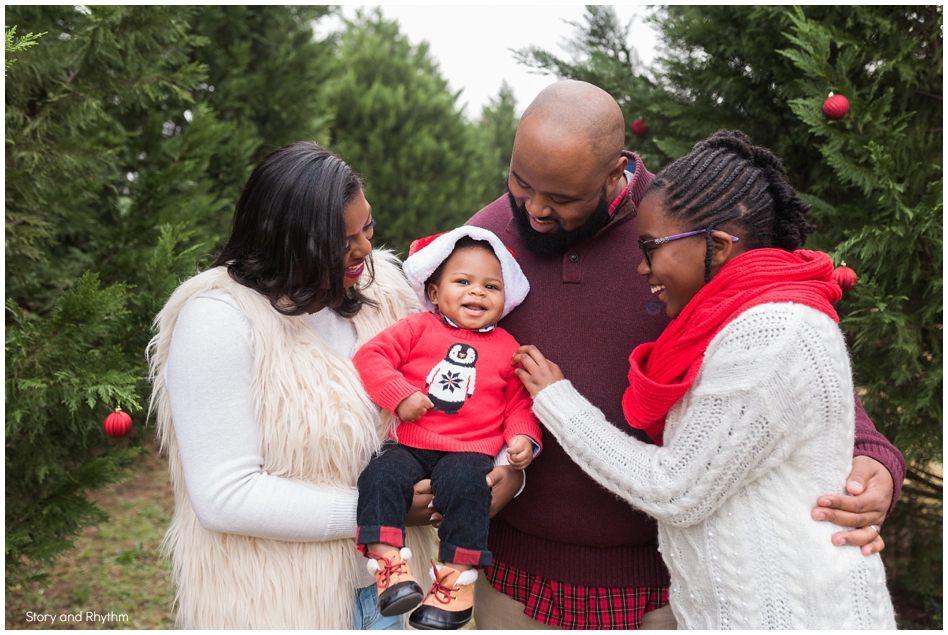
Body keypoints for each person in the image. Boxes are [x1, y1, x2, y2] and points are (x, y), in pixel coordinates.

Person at [467, 80, 905, 629]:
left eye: (561, 199)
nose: (533, 210)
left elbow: (788, 363)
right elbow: (444, 361)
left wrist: (873, 459)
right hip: (514, 582)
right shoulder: (482, 238)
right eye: (521, 182)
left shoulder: (682, 236)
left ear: (614, 173)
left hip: (663, 594)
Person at [147, 142, 437, 629]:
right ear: (287, 241)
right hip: (279, 601)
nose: (364, 250)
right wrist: (384, 510)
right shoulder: (218, 319)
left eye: (367, 228)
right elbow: (225, 496)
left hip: (397, 594)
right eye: (342, 241)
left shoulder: (385, 293)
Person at [352, 226, 543, 630]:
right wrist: (400, 395)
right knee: (380, 476)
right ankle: (390, 568)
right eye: (463, 282)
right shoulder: (419, 328)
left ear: (505, 300)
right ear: (435, 293)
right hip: (409, 442)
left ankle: (454, 588)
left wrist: (523, 438)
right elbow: (372, 356)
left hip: (469, 450)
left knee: (469, 491)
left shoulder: (508, 347)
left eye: (491, 286)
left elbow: (519, 403)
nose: (477, 292)